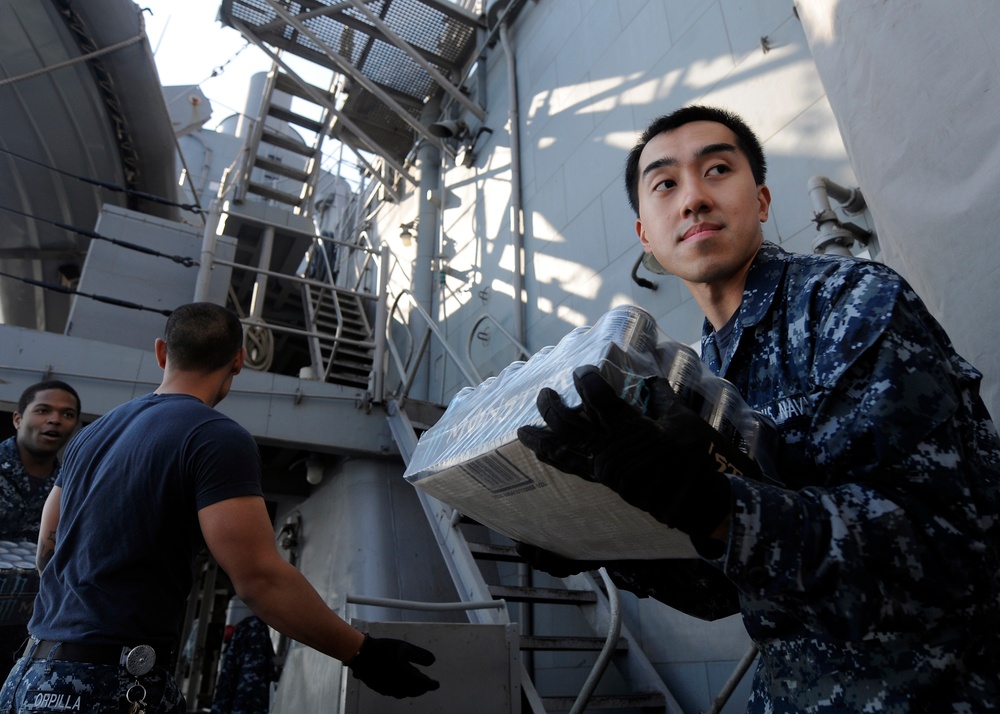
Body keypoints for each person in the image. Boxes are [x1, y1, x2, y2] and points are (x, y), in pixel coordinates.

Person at [517, 106, 1000, 710]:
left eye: (717, 169)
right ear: (646, 234)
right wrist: (597, 544)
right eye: (665, 184)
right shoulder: (695, 375)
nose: (692, 198)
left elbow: (951, 552)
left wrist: (718, 506)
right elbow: (726, 593)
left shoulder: (852, 305)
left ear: (763, 200)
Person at [0, 303, 438, 712]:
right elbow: (259, 580)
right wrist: (362, 652)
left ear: (161, 353)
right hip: (110, 682)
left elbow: (48, 545)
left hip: (30, 672)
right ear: (238, 362)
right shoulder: (214, 436)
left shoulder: (90, 436)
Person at [0, 381, 80, 679]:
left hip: (31, 635)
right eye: (43, 410)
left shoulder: (73, 489)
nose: (55, 420)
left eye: (67, 414)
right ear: (18, 418)